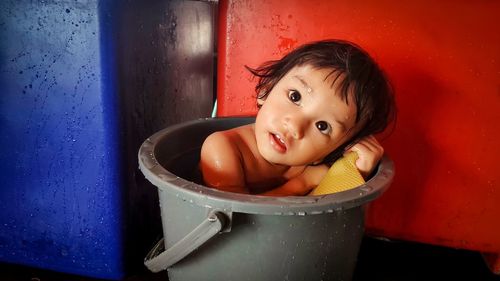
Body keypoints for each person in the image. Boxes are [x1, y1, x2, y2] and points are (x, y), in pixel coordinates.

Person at [200, 39, 396, 196]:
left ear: (332, 150)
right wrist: (299, 186)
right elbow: (236, 221)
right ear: (266, 90)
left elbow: (326, 222)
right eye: (295, 97)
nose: (295, 125)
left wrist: (355, 170)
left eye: (322, 126)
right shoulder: (222, 147)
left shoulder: (311, 165)